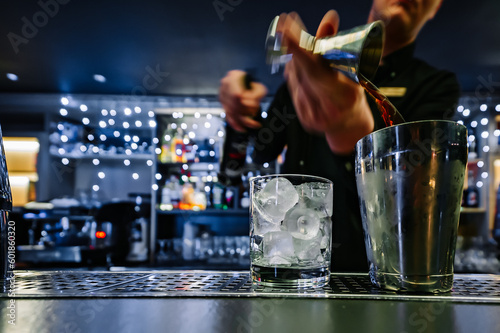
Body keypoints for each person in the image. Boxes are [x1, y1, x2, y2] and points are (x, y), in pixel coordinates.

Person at [219, 0, 460, 272]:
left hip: (377, 277)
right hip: (295, 267)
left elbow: (414, 197)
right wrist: (238, 119)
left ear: (436, 7)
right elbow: (246, 165)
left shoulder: (436, 86)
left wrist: (353, 137)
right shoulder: (311, 68)